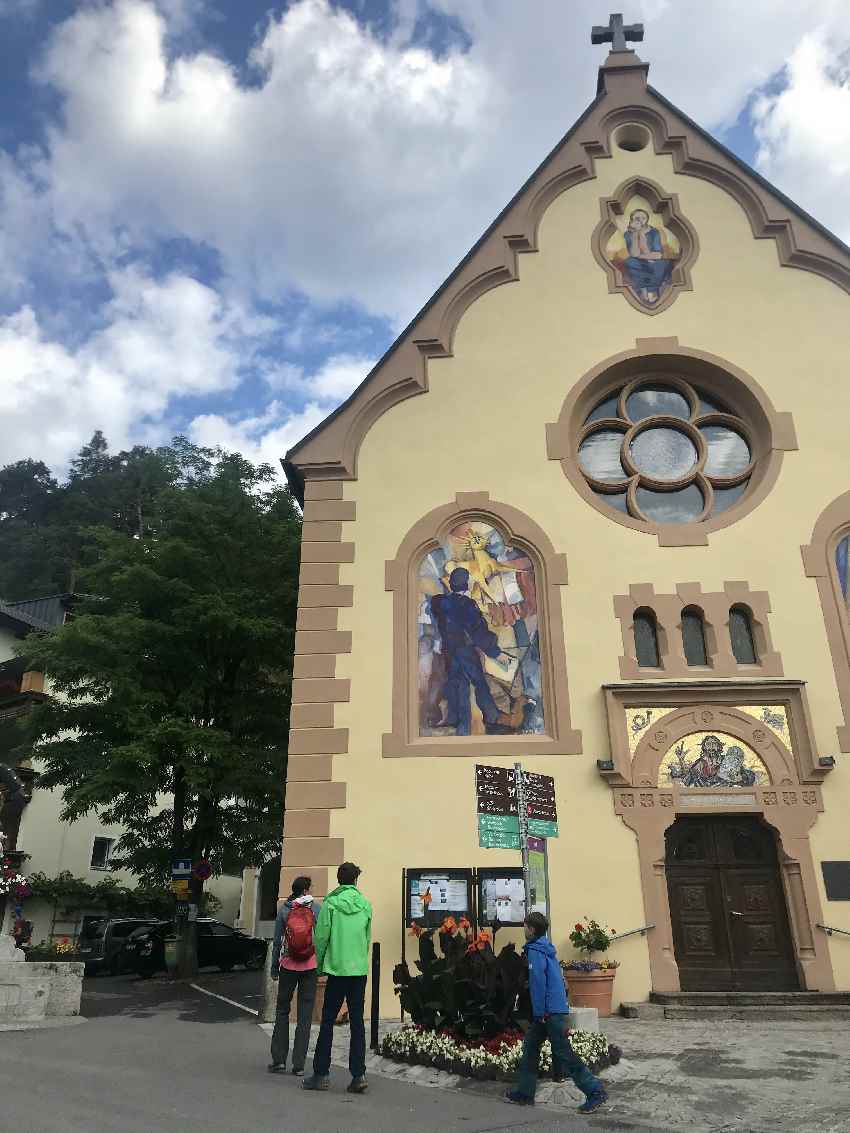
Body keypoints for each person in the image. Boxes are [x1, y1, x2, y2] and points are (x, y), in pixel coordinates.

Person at [505, 912, 607, 1115]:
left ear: (531, 929)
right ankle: (525, 1093)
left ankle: (595, 1092)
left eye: (525, 926)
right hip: (550, 1010)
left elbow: (539, 983)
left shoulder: (535, 950)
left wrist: (541, 1012)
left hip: (548, 1012)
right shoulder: (545, 947)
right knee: (530, 1047)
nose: (523, 929)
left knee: (564, 1053)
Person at [302, 861, 373, 1095]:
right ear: (355, 880)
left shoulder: (330, 904)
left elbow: (321, 938)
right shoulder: (365, 905)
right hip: (358, 970)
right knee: (357, 1023)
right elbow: (366, 939)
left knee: (327, 1021)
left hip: (336, 970)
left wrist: (321, 965)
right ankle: (358, 1074)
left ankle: (321, 1074)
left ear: (339, 879)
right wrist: (360, 962)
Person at [430, 567, 517, 735]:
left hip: (449, 651)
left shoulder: (441, 603)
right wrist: (495, 652)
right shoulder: (467, 605)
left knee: (458, 684)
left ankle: (458, 722)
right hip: (465, 651)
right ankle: (492, 718)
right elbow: (479, 631)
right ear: (467, 583)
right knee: (480, 683)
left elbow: (437, 603)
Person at [268, 875, 322, 1076]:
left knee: (282, 1010)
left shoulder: (285, 909)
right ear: (306, 890)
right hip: (309, 967)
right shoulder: (316, 909)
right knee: (305, 1015)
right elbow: (322, 938)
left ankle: (279, 1060)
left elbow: (277, 941)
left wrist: (274, 968)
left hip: (288, 966)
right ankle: (299, 1065)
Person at [621, 208, 674, 305]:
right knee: (630, 262)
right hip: (638, 262)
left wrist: (645, 257)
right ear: (632, 220)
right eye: (637, 218)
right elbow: (634, 253)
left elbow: (658, 255)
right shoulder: (628, 234)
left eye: (643, 218)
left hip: (654, 261)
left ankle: (651, 290)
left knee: (663, 264)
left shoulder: (654, 232)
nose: (640, 220)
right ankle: (643, 288)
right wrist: (636, 233)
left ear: (647, 219)